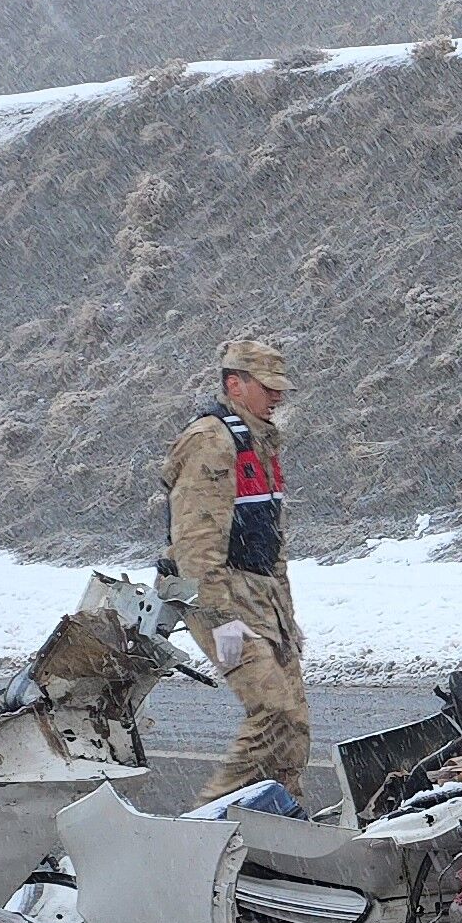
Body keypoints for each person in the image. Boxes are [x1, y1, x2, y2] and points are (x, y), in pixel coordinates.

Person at [162, 335, 311, 809]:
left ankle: (281, 818)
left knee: (294, 722)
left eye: (279, 387)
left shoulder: (260, 443)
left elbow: (270, 541)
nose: (277, 396)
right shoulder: (212, 442)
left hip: (263, 597)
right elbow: (196, 548)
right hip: (220, 598)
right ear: (235, 385)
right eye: (267, 386)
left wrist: (286, 616)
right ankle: (207, 822)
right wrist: (221, 622)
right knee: (272, 710)